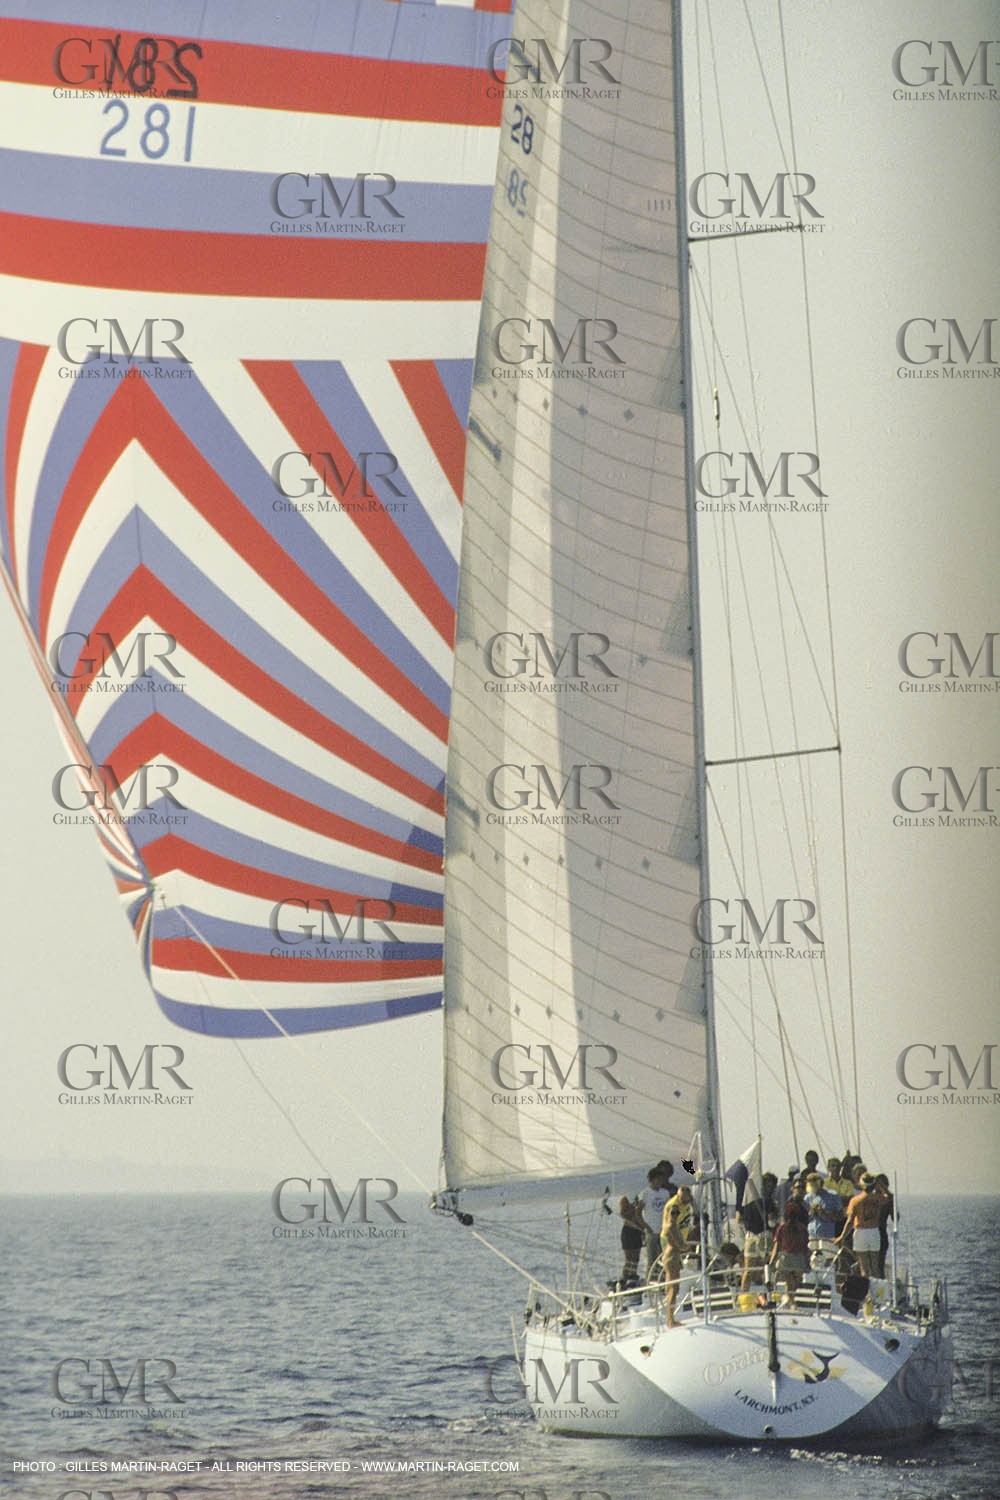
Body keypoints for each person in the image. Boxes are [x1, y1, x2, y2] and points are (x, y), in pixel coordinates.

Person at [835, 1172, 882, 1276]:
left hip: (861, 1232)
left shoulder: (855, 1200)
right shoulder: (878, 1199)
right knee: (875, 1265)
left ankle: (865, 1291)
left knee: (864, 1266)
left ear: (861, 1184)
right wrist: (880, 1185)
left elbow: (850, 1221)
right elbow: (889, 1196)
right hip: (874, 1231)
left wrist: (842, 1236)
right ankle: (877, 1290)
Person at [737, 1171, 776, 1292]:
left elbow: (739, 1219)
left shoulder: (748, 1200)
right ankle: (771, 1295)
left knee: (748, 1270)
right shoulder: (770, 1203)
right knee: (768, 1269)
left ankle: (743, 1295)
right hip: (765, 1236)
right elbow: (772, 1222)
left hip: (750, 1236)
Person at [769, 1203, 809, 1309]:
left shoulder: (782, 1228)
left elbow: (777, 1246)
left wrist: (771, 1261)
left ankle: (791, 1301)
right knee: (794, 1282)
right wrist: (807, 1262)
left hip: (786, 1259)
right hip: (799, 1259)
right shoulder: (803, 1229)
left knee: (788, 1280)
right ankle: (791, 1300)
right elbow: (805, 1247)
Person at [640, 1168, 671, 1279]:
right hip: (651, 1231)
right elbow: (638, 1212)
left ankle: (663, 1279)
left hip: (663, 1231)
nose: (661, 1181)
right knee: (652, 1260)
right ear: (653, 1179)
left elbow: (669, 1210)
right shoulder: (645, 1193)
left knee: (664, 1257)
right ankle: (650, 1281)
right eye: (659, 1179)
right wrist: (646, 1227)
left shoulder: (665, 1193)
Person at [660, 1202, 686, 1328]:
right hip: (671, 1258)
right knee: (672, 1289)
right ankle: (670, 1321)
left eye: (677, 1213)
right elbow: (678, 1244)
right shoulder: (670, 1227)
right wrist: (687, 1247)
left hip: (675, 1257)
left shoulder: (675, 1226)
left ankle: (671, 1319)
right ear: (668, 1213)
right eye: (673, 1213)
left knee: (675, 1289)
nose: (675, 1215)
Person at [617, 1192, 645, 1285]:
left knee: (636, 1258)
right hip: (628, 1230)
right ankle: (625, 1277)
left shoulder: (638, 1198)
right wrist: (635, 1210)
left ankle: (633, 1275)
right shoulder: (625, 1199)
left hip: (638, 1230)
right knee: (629, 1258)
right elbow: (623, 1214)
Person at [803, 1172, 840, 1242]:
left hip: (828, 1234)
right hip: (812, 1234)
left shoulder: (832, 1195)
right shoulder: (807, 1197)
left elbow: (839, 1215)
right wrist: (811, 1212)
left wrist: (824, 1213)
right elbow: (805, 1218)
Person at [875, 1173, 895, 1277]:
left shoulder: (888, 1201)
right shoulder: (871, 1198)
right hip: (871, 1232)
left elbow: (895, 1218)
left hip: (881, 1233)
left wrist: (891, 1199)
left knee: (880, 1265)